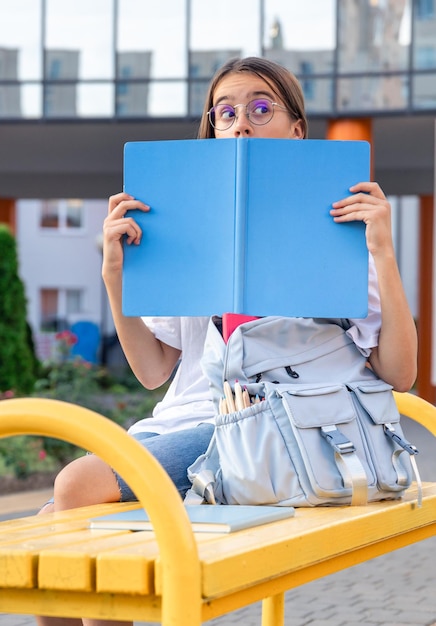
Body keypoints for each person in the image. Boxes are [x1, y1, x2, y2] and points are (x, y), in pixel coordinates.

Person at [36, 56, 417, 626]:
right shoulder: (189, 231)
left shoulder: (339, 232)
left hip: (275, 429)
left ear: (296, 129)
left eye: (262, 108)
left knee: (77, 487)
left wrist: (383, 254)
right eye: (226, 112)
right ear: (212, 128)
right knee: (49, 548)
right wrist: (115, 276)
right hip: (186, 423)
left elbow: (400, 374)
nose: (241, 123)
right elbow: (152, 370)